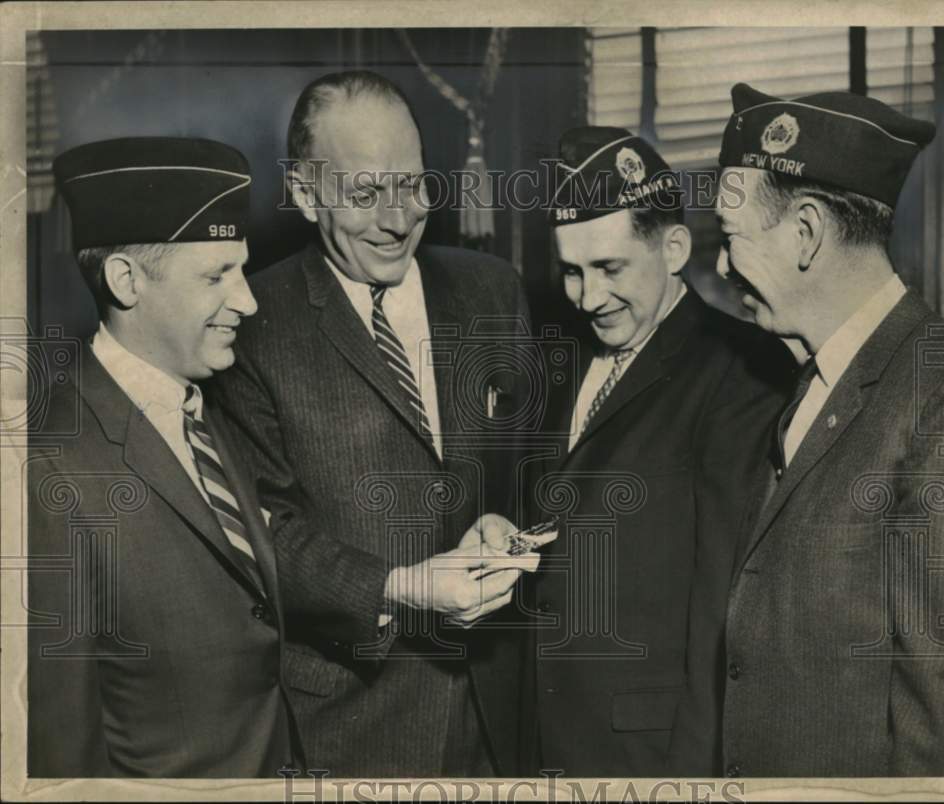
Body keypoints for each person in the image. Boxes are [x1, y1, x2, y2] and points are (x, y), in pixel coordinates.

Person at [213, 70, 530, 777]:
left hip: (501, 714)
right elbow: (262, 536)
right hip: (351, 731)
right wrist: (400, 586)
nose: (397, 219)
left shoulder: (492, 290)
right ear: (301, 191)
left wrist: (503, 521)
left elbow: (531, 467)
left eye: (413, 185)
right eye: (363, 194)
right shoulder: (249, 325)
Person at [715, 83, 944, 777]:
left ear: (805, 235)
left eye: (731, 238)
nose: (720, 265)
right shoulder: (813, 374)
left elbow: (941, 710)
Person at [521, 126, 792, 776]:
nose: (588, 299)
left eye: (610, 268)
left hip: (650, 755)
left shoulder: (743, 371)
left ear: (674, 247)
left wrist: (692, 782)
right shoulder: (560, 356)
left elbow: (722, 611)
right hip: (540, 739)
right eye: (571, 272)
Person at [28, 137, 299, 777]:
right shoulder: (48, 471)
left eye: (242, 268)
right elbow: (61, 753)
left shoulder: (205, 407)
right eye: (215, 276)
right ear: (126, 281)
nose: (249, 300)